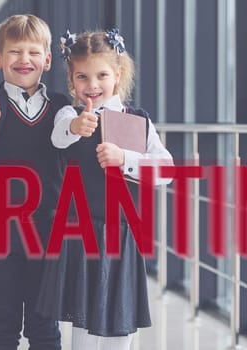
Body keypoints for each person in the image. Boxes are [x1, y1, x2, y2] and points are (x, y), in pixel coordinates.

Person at [36, 29, 173, 350]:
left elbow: (166, 170)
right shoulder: (69, 115)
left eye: (101, 75)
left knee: (118, 329)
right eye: (82, 76)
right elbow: (59, 137)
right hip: (79, 232)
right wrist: (76, 127)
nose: (92, 85)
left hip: (121, 234)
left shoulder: (138, 121)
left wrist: (125, 158)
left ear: (118, 74)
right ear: (71, 78)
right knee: (82, 331)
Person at [0, 14, 69, 350]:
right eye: (15, 52)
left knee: (45, 326)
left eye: (34, 52)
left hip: (47, 233)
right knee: (1, 324)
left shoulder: (61, 109)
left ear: (48, 60)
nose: (24, 60)